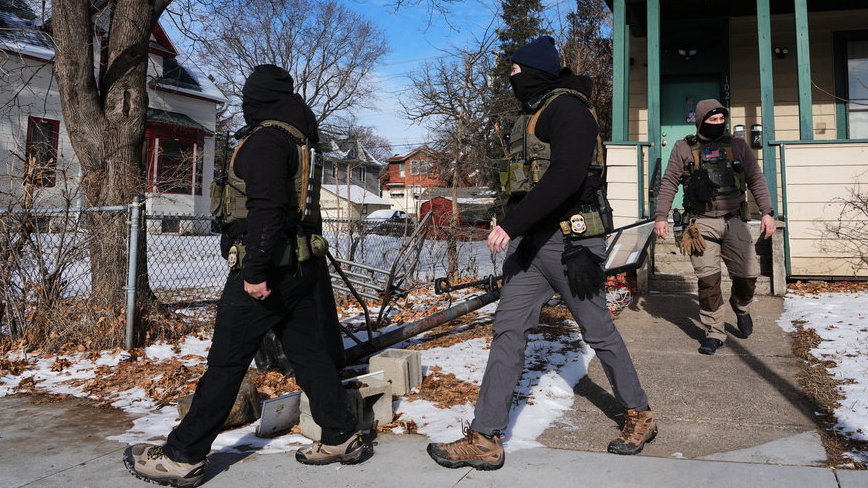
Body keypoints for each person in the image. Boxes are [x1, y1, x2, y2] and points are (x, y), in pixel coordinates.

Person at [124, 65, 371, 487]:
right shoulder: (300, 140)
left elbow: (267, 210)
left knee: (226, 362)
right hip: (300, 267)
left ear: (255, 98)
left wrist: (254, 272)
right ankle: (342, 435)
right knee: (310, 356)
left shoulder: (265, 142)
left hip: (267, 271)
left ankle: (182, 455)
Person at [426, 36, 656, 472]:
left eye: (515, 70)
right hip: (531, 245)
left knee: (598, 331)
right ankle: (485, 437)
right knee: (508, 332)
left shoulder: (568, 109)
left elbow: (568, 176)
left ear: (535, 70)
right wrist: (518, 227)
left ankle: (639, 413)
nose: (509, 77)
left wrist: (510, 224)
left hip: (570, 243)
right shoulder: (532, 114)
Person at [653, 99, 776, 356]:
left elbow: (756, 178)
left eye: (721, 119)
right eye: (712, 119)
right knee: (708, 281)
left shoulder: (739, 146)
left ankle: (740, 307)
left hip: (734, 220)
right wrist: (661, 216)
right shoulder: (683, 148)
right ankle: (714, 332)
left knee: (748, 276)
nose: (718, 124)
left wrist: (767, 212)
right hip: (700, 223)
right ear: (700, 121)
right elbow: (669, 182)